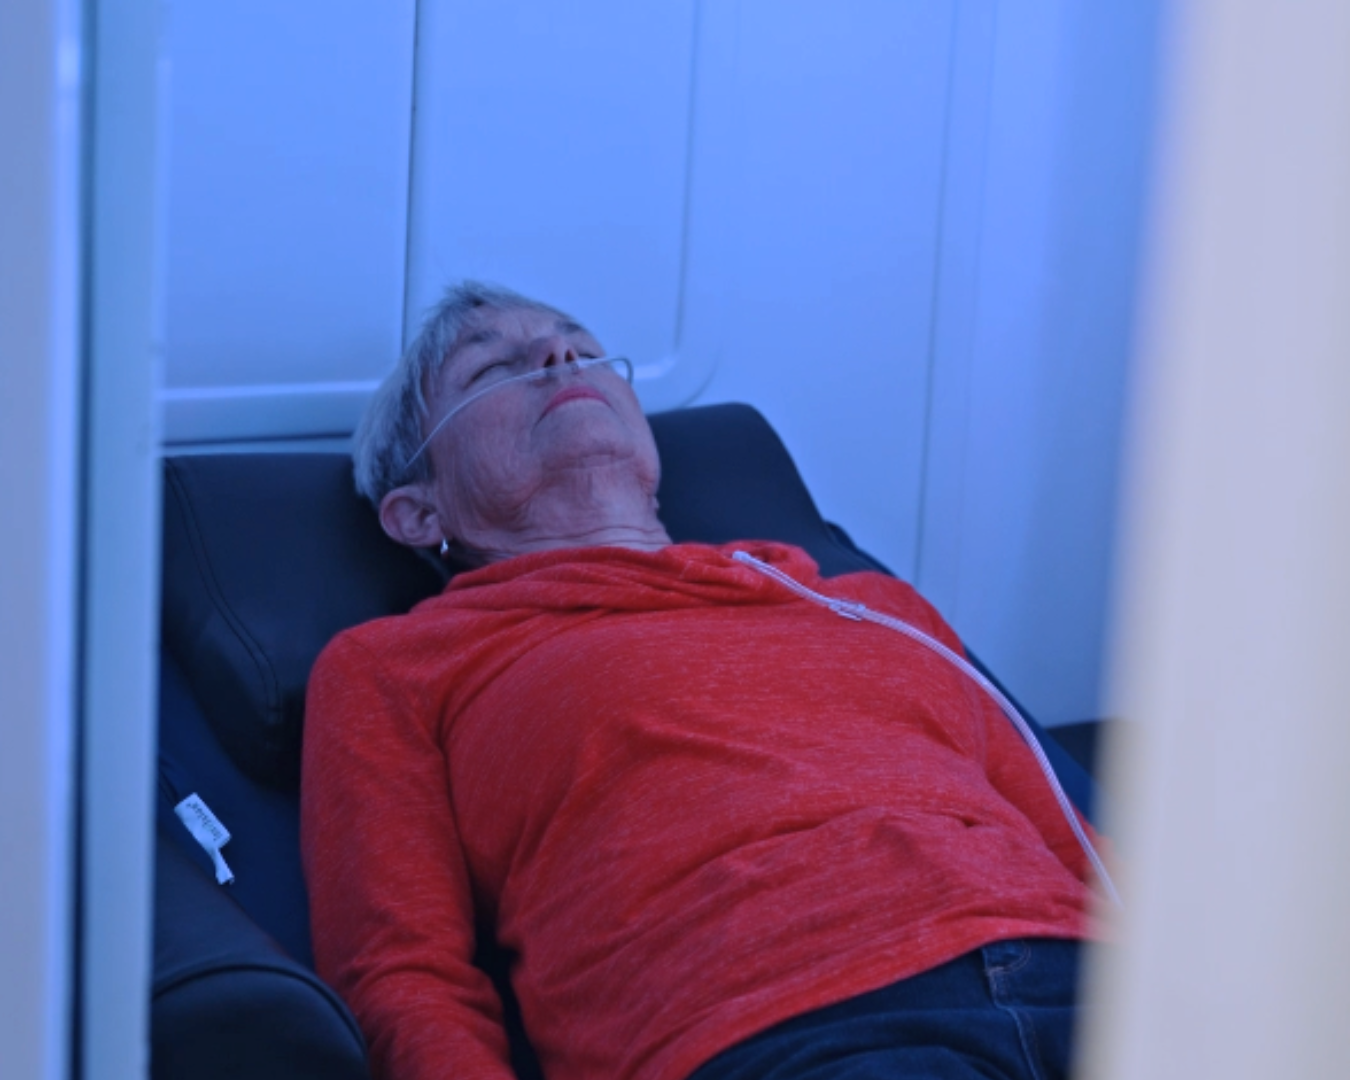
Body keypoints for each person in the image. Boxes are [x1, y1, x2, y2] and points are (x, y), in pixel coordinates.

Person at [300, 281, 1107, 1080]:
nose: (560, 356)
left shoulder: (871, 607)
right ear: (418, 513)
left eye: (582, 346)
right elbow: (400, 976)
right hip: (788, 1020)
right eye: (492, 371)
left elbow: (1072, 840)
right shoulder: (396, 666)